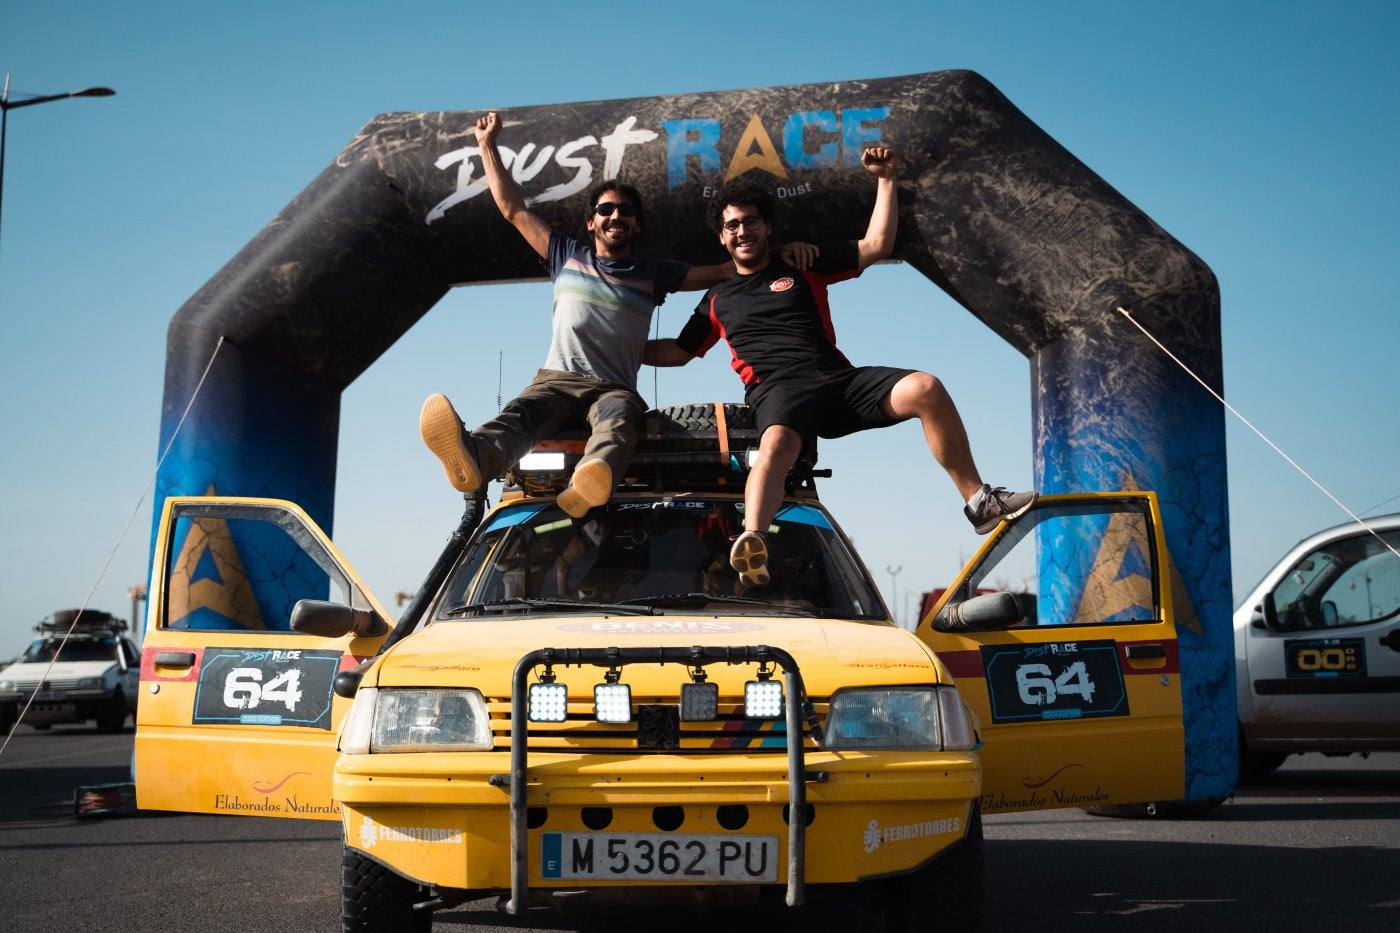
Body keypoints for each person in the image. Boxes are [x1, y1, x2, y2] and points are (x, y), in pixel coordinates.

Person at [644, 148, 1036, 586]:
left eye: (750, 221)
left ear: (767, 227)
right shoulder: (716, 298)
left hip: (838, 380)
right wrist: (620, 346)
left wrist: (886, 178)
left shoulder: (800, 264)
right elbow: (678, 352)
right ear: (722, 237)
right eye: (732, 225)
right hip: (778, 392)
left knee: (926, 388)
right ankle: (753, 542)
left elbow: (875, 246)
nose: (742, 231)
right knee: (773, 449)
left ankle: (979, 502)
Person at [421, 111, 812, 517]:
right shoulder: (565, 255)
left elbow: (723, 270)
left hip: (613, 386)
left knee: (621, 422)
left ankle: (594, 476)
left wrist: (773, 253)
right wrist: (487, 146)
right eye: (606, 210)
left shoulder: (653, 273)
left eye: (626, 211)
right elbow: (513, 209)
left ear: (636, 226)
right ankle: (474, 456)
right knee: (519, 416)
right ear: (591, 222)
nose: (616, 216)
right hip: (556, 381)